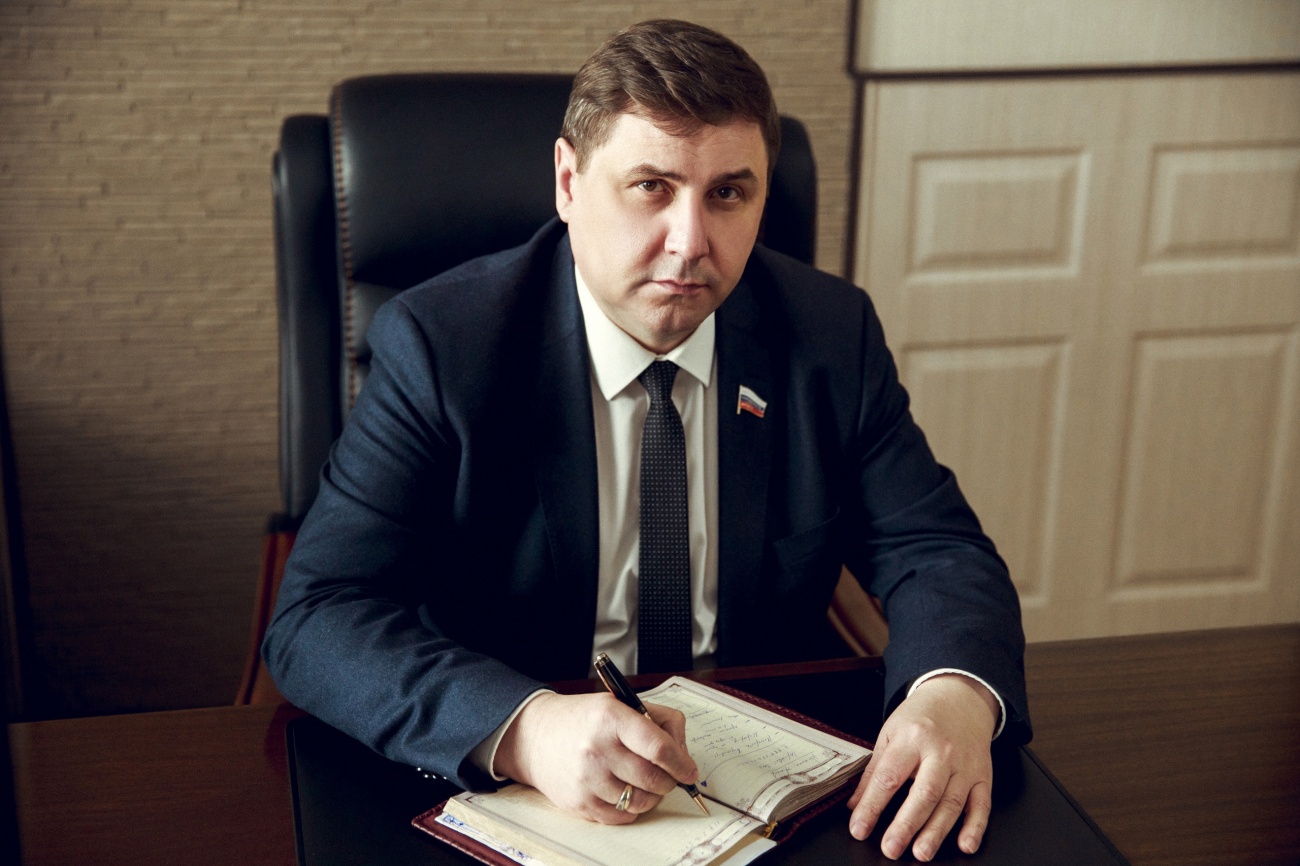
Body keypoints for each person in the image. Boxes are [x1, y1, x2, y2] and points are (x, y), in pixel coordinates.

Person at [263, 18, 1030, 863]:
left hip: (762, 787)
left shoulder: (827, 334)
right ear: (569, 182)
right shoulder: (444, 347)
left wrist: (952, 693)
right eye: (651, 187)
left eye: (728, 194)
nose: (691, 242)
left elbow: (936, 548)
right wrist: (523, 729)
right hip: (526, 797)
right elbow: (317, 617)